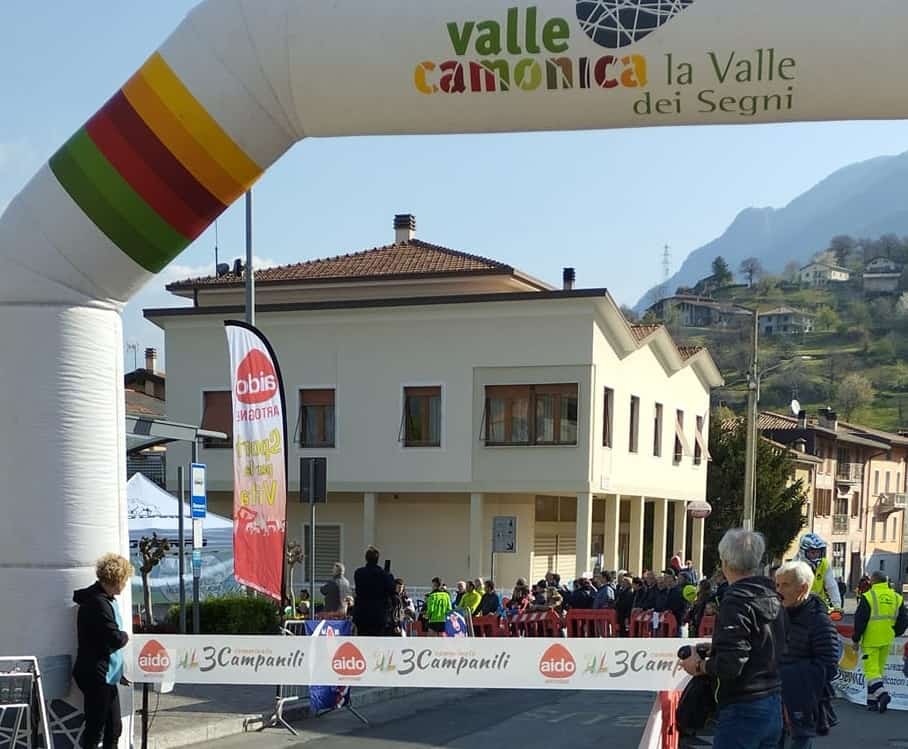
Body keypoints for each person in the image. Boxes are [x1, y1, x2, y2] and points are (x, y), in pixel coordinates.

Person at [679, 529, 784, 749]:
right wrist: (716, 647)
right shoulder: (772, 595)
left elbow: (731, 664)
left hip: (743, 703)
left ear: (725, 562)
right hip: (771, 698)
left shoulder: (736, 600)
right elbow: (768, 644)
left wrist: (698, 665)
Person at [775, 561, 839, 748]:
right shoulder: (777, 615)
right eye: (777, 585)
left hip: (803, 705)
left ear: (802, 588)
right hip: (774, 704)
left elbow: (829, 666)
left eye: (785, 585)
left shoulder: (819, 620)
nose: (779, 591)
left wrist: (787, 675)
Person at [72, 554, 132, 749]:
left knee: (113, 727)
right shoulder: (98, 603)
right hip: (97, 673)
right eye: (123, 581)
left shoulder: (102, 600)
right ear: (115, 580)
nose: (123, 586)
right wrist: (125, 635)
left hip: (105, 673)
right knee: (97, 727)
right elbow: (114, 638)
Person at [852, 571, 908, 712]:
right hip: (887, 639)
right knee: (878, 670)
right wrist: (896, 632)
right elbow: (903, 619)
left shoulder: (868, 596)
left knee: (870, 671)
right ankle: (872, 702)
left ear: (873, 581)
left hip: (871, 639)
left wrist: (856, 639)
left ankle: (882, 695)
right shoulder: (897, 597)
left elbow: (860, 620)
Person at [352, 546, 395, 635]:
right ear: (377, 559)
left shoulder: (359, 573)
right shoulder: (384, 575)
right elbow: (392, 590)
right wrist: (389, 576)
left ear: (366, 558)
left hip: (362, 614)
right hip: (379, 615)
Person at [796, 534, 841, 611]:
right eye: (813, 552)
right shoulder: (795, 566)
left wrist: (837, 606)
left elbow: (831, 586)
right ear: (803, 551)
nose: (816, 555)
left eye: (818, 552)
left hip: (820, 605)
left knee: (826, 622)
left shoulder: (824, 564)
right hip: (800, 606)